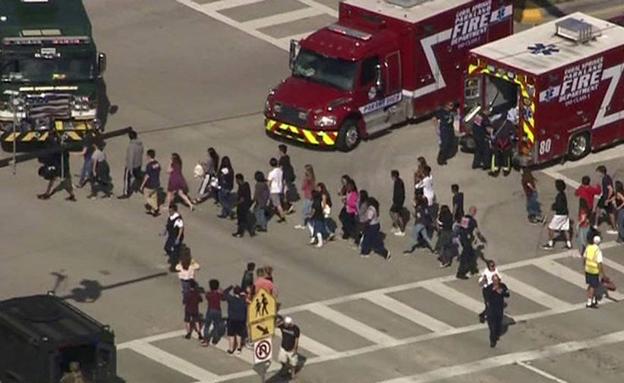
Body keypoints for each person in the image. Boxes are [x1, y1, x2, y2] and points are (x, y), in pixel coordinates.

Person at [456, 206, 487, 279]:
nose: (475, 213)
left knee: (471, 254)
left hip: (463, 239)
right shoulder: (473, 221)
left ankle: (473, 269)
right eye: (474, 211)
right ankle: (461, 272)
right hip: (467, 239)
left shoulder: (464, 218)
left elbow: (462, 229)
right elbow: (477, 232)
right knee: (466, 256)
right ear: (473, 212)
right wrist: (482, 239)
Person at [542, 179, 572, 250]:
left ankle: (550, 243)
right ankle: (568, 244)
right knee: (565, 228)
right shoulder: (563, 194)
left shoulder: (559, 196)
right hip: (565, 213)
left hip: (559, 214)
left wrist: (553, 206)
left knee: (550, 228)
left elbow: (559, 206)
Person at [360, 197, 391, 261]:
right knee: (367, 238)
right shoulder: (373, 208)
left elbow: (369, 219)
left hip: (372, 226)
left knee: (374, 241)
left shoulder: (371, 209)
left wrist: (364, 225)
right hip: (374, 225)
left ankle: (385, 253)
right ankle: (365, 252)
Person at [118, 129, 144, 199]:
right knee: (138, 176)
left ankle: (126, 193)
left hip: (131, 165)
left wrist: (130, 168)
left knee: (126, 179)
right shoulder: (140, 144)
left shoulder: (131, 146)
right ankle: (142, 185)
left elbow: (130, 158)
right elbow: (141, 153)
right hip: (138, 164)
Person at [485, 274, 509, 348]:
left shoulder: (502, 286)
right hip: (492, 309)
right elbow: (486, 296)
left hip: (499, 309)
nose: (495, 282)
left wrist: (501, 292)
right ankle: (492, 341)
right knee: (492, 327)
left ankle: (496, 335)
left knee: (498, 325)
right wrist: (492, 291)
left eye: (497, 280)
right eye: (494, 280)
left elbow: (507, 294)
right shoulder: (489, 287)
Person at [223, 285, 247, 354]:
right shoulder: (243, 300)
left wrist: (230, 287)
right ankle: (239, 348)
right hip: (241, 320)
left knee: (231, 335)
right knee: (239, 334)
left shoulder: (231, 299)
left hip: (232, 319)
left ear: (234, 292)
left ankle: (231, 349)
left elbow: (224, 293)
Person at [584, 235, 606, 308]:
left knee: (591, 285)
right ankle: (589, 302)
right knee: (593, 286)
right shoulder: (598, 251)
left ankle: (593, 299)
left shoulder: (588, 247)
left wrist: (584, 266)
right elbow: (599, 263)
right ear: (599, 242)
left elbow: (584, 258)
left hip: (587, 269)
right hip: (594, 270)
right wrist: (602, 273)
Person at [595, 166, 618, 234]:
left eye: (598, 172)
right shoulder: (607, 177)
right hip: (605, 197)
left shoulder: (605, 179)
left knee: (608, 213)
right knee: (609, 212)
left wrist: (607, 199)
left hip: (605, 198)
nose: (597, 174)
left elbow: (610, 189)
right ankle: (596, 224)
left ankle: (614, 229)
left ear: (601, 172)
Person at [201, 279, 223, 346]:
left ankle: (206, 340)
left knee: (207, 325)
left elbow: (206, 296)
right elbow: (223, 297)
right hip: (218, 310)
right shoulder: (219, 294)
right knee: (216, 325)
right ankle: (215, 340)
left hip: (210, 310)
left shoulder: (208, 294)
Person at [163, 203, 184, 272]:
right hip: (171, 235)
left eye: (171, 211)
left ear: (174, 210)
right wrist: (165, 231)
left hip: (176, 236)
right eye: (169, 211)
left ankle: (175, 265)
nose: (170, 212)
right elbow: (168, 224)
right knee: (167, 247)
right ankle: (173, 258)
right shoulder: (170, 216)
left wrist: (178, 238)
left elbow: (181, 228)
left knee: (175, 251)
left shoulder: (178, 219)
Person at [140, 149, 161, 217]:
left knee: (147, 198)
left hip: (150, 184)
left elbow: (147, 176)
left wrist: (142, 185)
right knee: (154, 197)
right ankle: (153, 210)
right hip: (157, 183)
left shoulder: (149, 165)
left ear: (148, 156)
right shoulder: (157, 163)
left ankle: (155, 209)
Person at [233, 173, 254, 238]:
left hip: (242, 206)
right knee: (244, 219)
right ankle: (251, 231)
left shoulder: (242, 187)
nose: (236, 181)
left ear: (239, 180)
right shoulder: (246, 184)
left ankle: (239, 233)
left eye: (236, 180)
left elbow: (242, 199)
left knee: (241, 220)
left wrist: (236, 204)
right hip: (247, 204)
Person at [295, 164, 316, 230]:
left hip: (308, 196)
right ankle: (307, 223)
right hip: (310, 195)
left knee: (305, 211)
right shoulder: (312, 178)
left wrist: (304, 181)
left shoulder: (307, 179)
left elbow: (303, 187)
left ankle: (304, 224)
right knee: (307, 210)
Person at [278, 144, 297, 214]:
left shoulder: (281, 160)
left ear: (281, 151)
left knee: (284, 193)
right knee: (284, 192)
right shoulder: (287, 157)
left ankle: (288, 206)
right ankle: (286, 206)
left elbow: (280, 169)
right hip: (288, 176)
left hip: (285, 178)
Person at [268, 157, 286, 222]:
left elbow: (269, 182)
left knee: (278, 204)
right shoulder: (280, 171)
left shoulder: (271, 173)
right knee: (273, 201)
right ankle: (269, 211)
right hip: (280, 188)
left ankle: (282, 216)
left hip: (274, 190)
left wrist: (268, 189)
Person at [390, 170, 406, 236]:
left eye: (392, 176)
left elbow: (399, 193)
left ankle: (399, 228)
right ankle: (400, 228)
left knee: (394, 213)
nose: (391, 177)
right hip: (398, 201)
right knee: (398, 215)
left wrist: (396, 202)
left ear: (394, 176)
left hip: (397, 202)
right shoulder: (398, 181)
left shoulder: (398, 183)